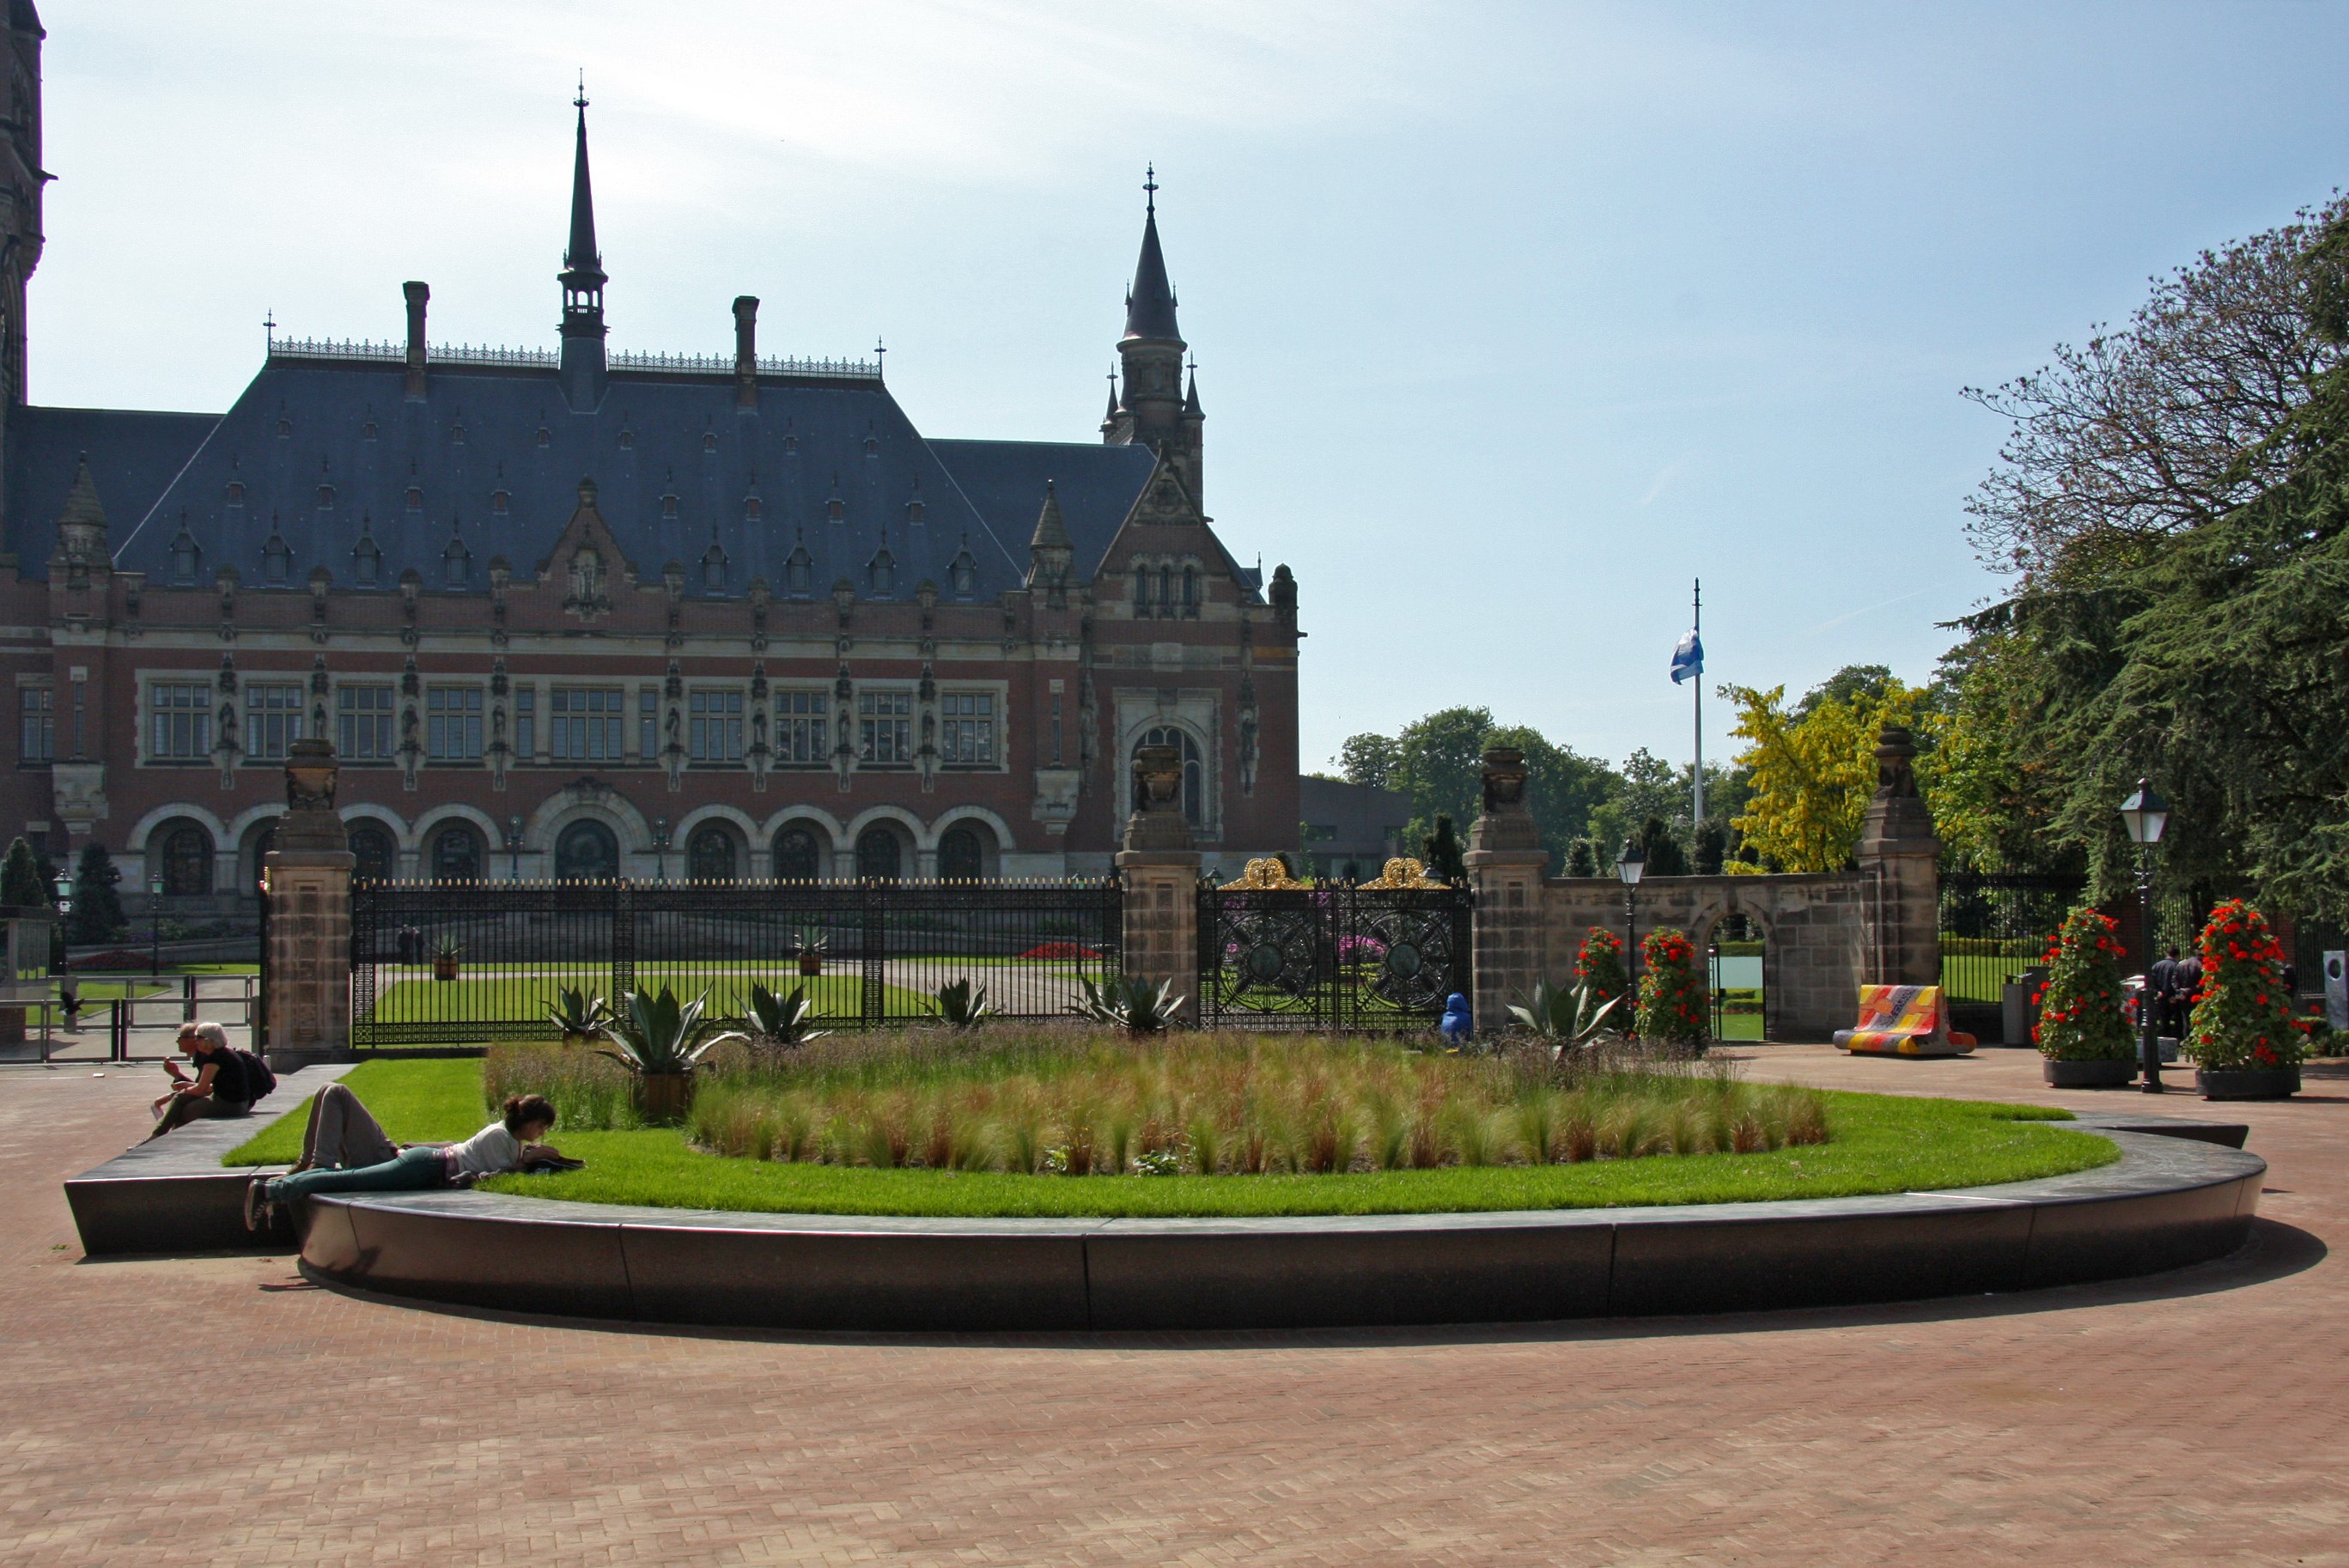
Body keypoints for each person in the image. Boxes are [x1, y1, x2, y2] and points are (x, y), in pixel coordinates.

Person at [245, 1091, 560, 1230]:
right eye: (541, 1126)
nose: (542, 1133)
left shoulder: (510, 1139)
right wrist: (529, 1161)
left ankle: (278, 1189)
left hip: (428, 1164)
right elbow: (495, 1174)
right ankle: (273, 1191)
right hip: (426, 1167)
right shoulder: (500, 1138)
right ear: (527, 1121)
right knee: (350, 1180)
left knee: (353, 1179)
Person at [147, 1022, 251, 1140]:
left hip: (230, 1105)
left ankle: (158, 1138)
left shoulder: (213, 1058)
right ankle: (164, 1138)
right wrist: (181, 1083)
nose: (196, 1041)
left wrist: (182, 1091)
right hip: (238, 1103)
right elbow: (212, 1086)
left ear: (208, 1039)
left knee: (182, 1108)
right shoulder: (225, 1054)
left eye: (198, 1038)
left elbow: (201, 1089)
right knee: (181, 1101)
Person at [2149, 946, 2182, 1039]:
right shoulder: (2176, 966)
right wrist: (2175, 995)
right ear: (2178, 955)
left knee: (2164, 1021)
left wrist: (2157, 992)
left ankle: (2164, 1040)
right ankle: (2177, 1041)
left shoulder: (2157, 965)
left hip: (2161, 997)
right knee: (2177, 1021)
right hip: (2173, 997)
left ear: (2167, 954)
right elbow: (2176, 982)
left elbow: (2151, 981)